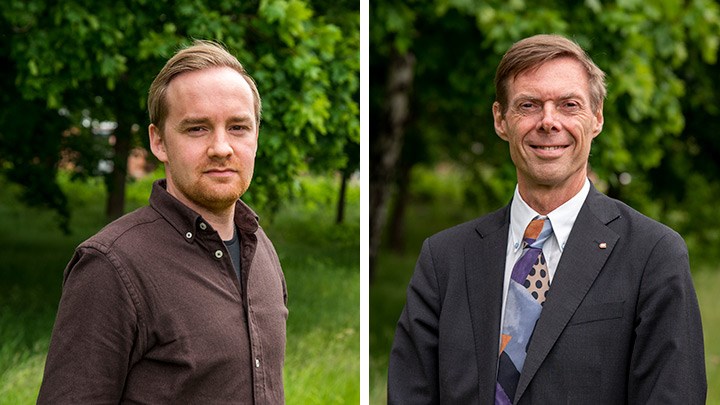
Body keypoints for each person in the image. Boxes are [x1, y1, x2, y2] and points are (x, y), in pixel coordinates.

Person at [387, 34, 706, 404]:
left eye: (569, 105)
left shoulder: (654, 254)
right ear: (501, 120)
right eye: (528, 105)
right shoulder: (443, 260)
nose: (549, 122)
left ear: (597, 118)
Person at [38, 40, 288, 404]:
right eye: (197, 129)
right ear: (159, 142)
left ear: (256, 137)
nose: (221, 147)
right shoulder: (110, 267)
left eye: (238, 127)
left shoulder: (260, 248)